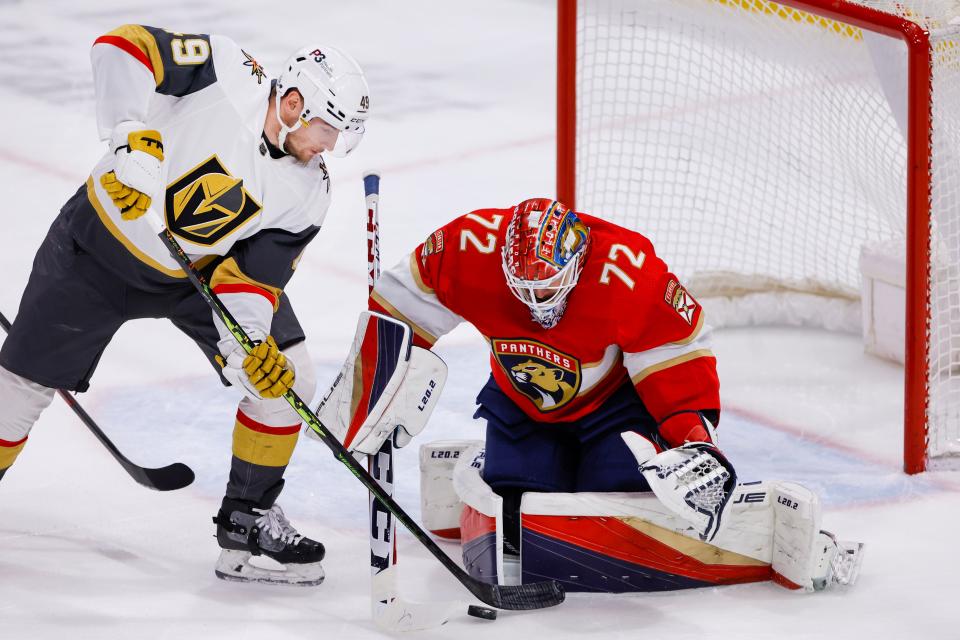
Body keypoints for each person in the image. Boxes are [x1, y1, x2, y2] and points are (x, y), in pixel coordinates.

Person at [318, 197, 861, 592]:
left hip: (613, 409)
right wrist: (370, 392)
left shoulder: (629, 273)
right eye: (524, 290)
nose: (537, 305)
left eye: (548, 288)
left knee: (614, 501)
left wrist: (692, 440)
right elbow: (398, 308)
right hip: (520, 402)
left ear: (576, 261)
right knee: (521, 501)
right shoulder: (468, 248)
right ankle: (504, 462)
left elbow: (676, 356)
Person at [0, 25, 370, 586]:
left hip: (193, 277)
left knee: (286, 375)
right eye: (327, 130)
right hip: (92, 253)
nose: (329, 148)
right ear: (294, 103)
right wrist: (130, 133)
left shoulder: (310, 192)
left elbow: (247, 280)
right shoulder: (224, 70)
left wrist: (248, 351)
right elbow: (120, 46)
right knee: (15, 396)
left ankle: (246, 522)